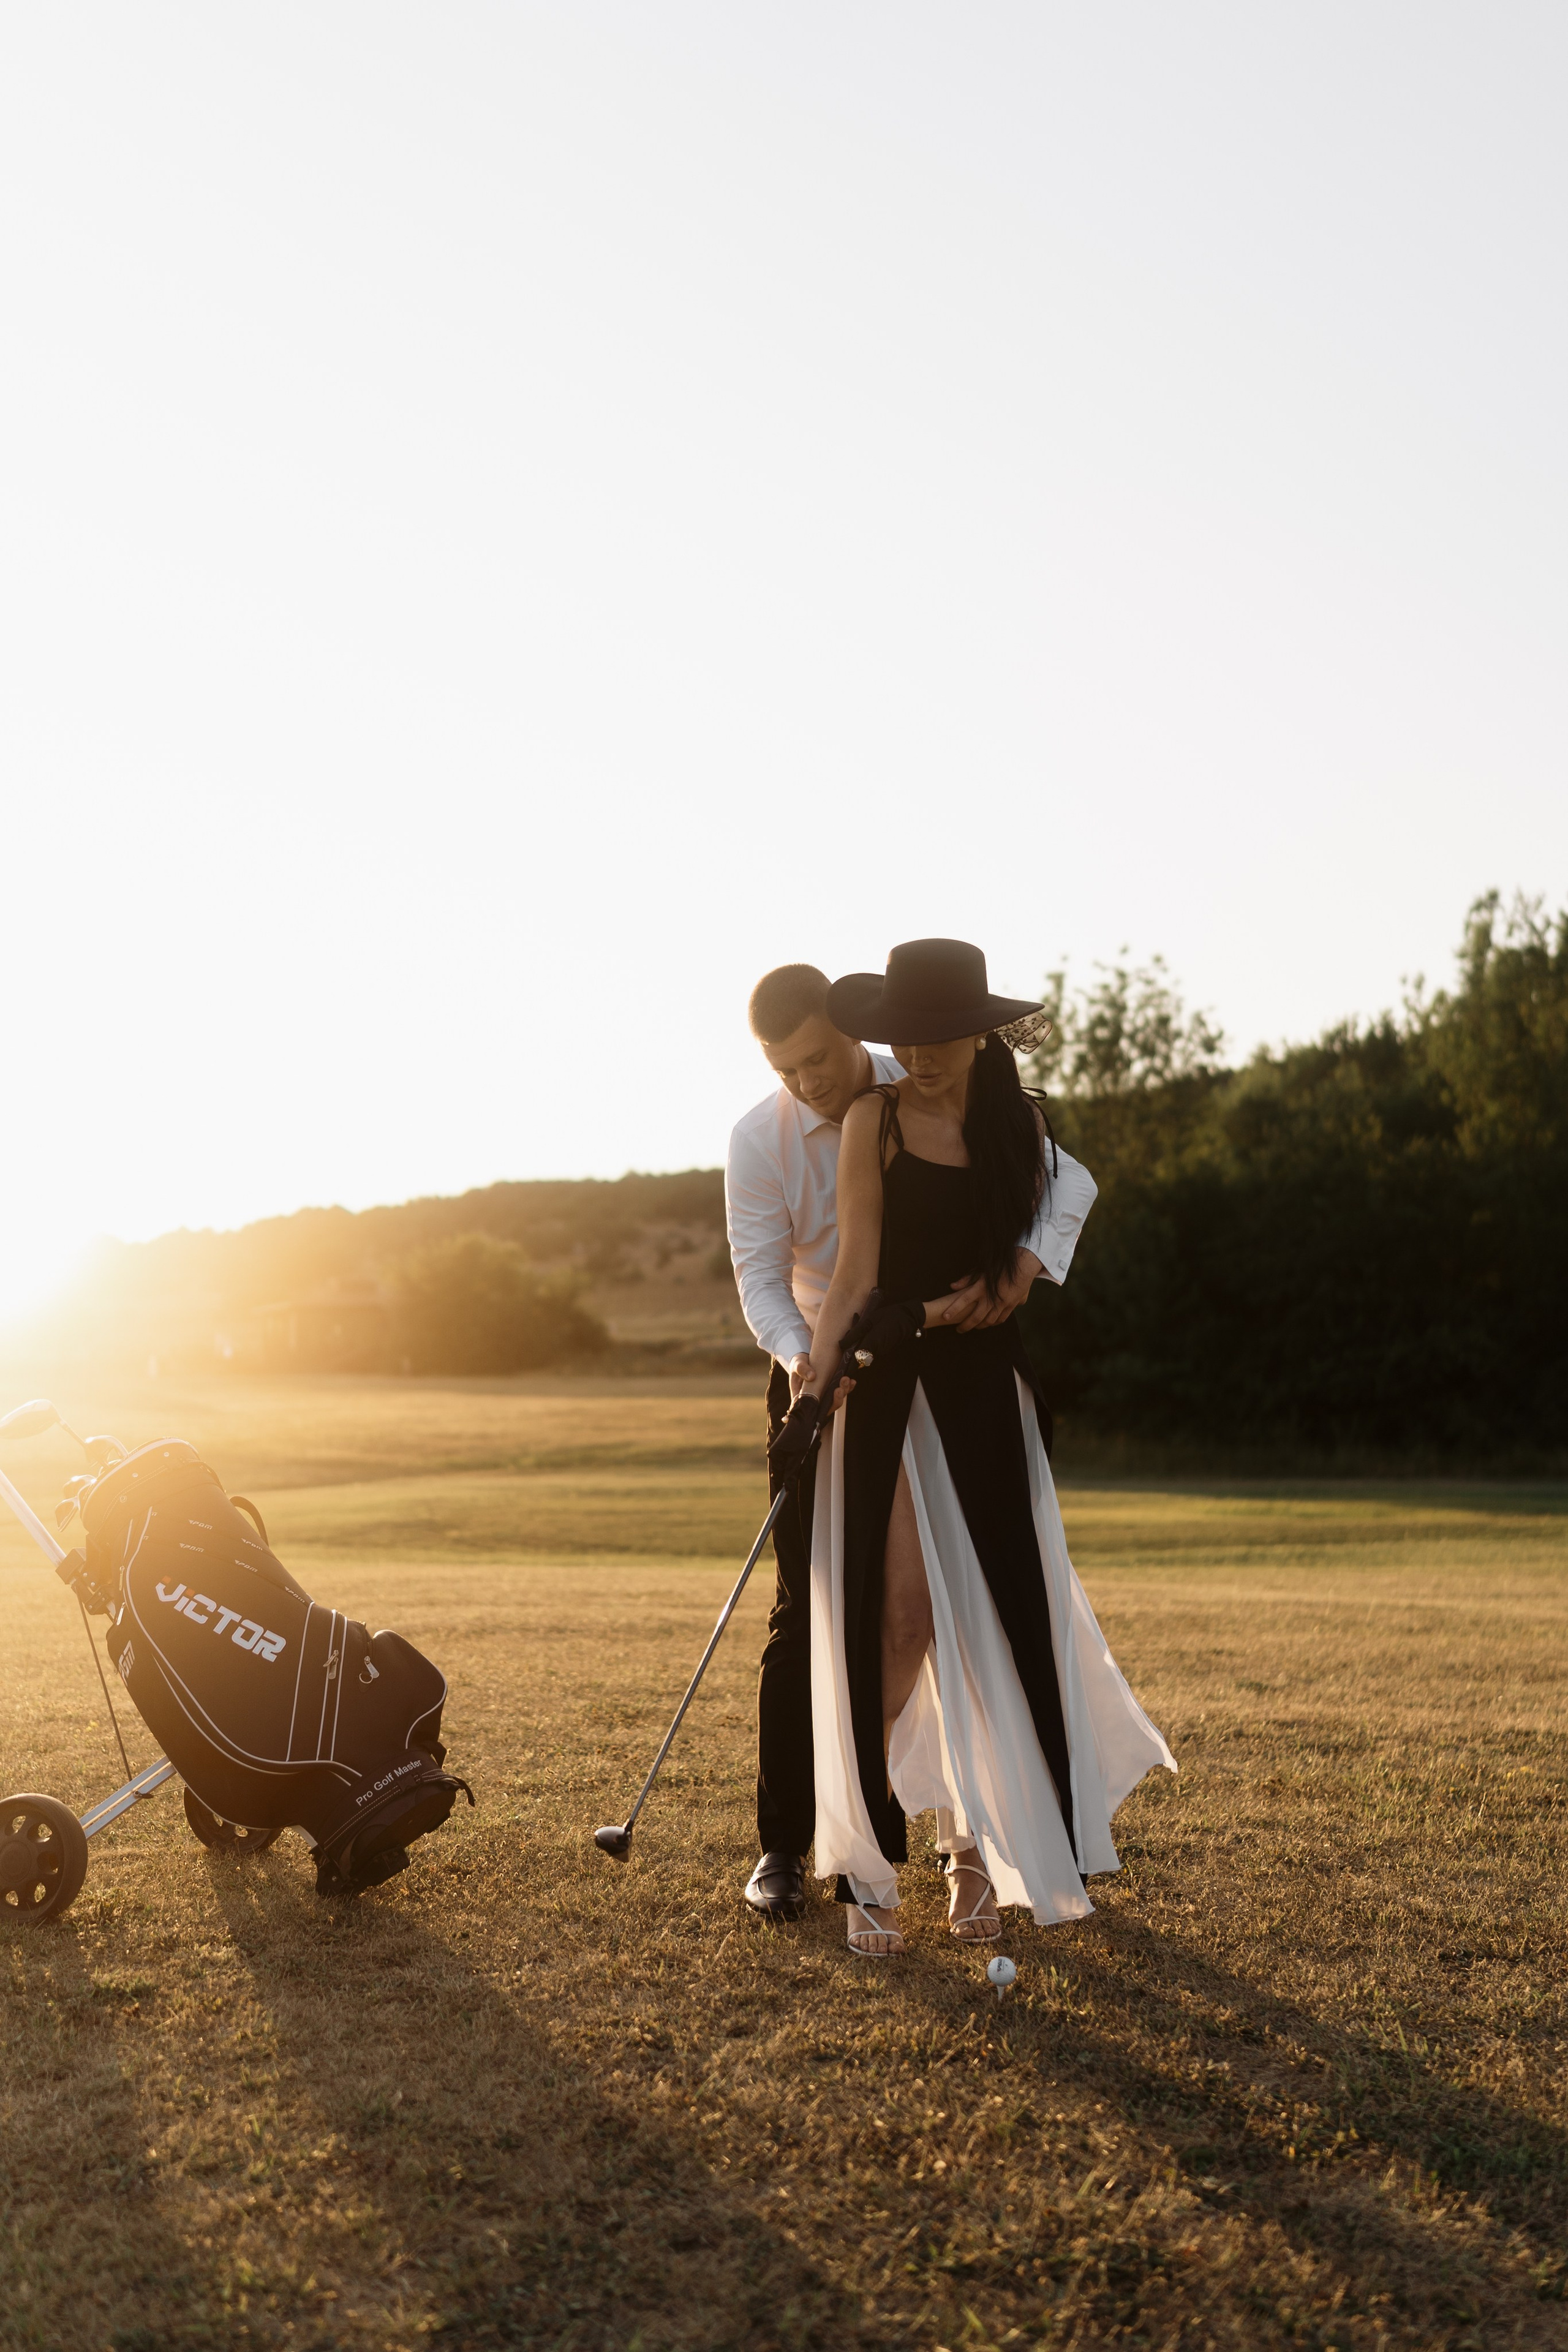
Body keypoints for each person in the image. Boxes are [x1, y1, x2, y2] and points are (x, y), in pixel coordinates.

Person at [769, 938, 1175, 1957]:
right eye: (907, 1035)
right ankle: (865, 1859)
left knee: (986, 1624)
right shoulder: (878, 1119)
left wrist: (1021, 1272)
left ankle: (971, 1854)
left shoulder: (1020, 1128)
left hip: (984, 1391)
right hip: (888, 1384)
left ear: (980, 1031)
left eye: (942, 1034)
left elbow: (1056, 1213)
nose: (923, 1052)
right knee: (900, 1618)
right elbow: (854, 1268)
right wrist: (811, 1386)